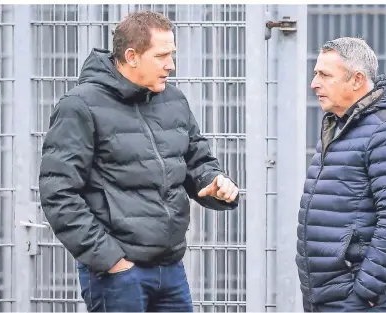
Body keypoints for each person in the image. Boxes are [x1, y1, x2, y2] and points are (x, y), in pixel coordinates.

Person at [38, 11, 239, 312]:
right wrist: (111, 261)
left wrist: (216, 182)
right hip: (118, 275)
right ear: (131, 56)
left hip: (170, 268)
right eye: (161, 56)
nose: (170, 65)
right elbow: (58, 193)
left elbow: (197, 160)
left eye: (172, 54)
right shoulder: (79, 106)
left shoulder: (173, 100)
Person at [296, 37, 386, 312]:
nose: (314, 83)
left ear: (357, 80)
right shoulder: (341, 125)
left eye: (324, 75)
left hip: (358, 299)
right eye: (315, 73)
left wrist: (367, 290)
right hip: (328, 295)